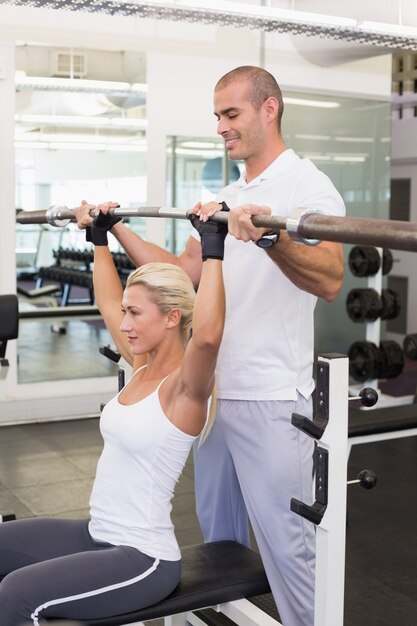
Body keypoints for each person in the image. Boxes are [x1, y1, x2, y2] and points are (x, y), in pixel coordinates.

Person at [74, 65, 346, 626]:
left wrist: (271, 236)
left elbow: (329, 278)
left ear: (269, 109)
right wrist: (115, 225)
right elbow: (181, 270)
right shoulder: (230, 193)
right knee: (221, 547)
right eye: (217, 116)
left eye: (231, 114)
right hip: (210, 394)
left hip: (271, 395)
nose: (221, 127)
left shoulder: (308, 186)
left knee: (287, 548)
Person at [0, 206, 226, 625]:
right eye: (127, 312)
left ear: (173, 317)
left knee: (16, 596)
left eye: (136, 314)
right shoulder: (139, 364)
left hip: (143, 557)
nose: (124, 324)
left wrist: (214, 248)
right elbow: (107, 301)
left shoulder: (184, 389)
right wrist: (100, 238)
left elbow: (209, 336)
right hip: (97, 534)